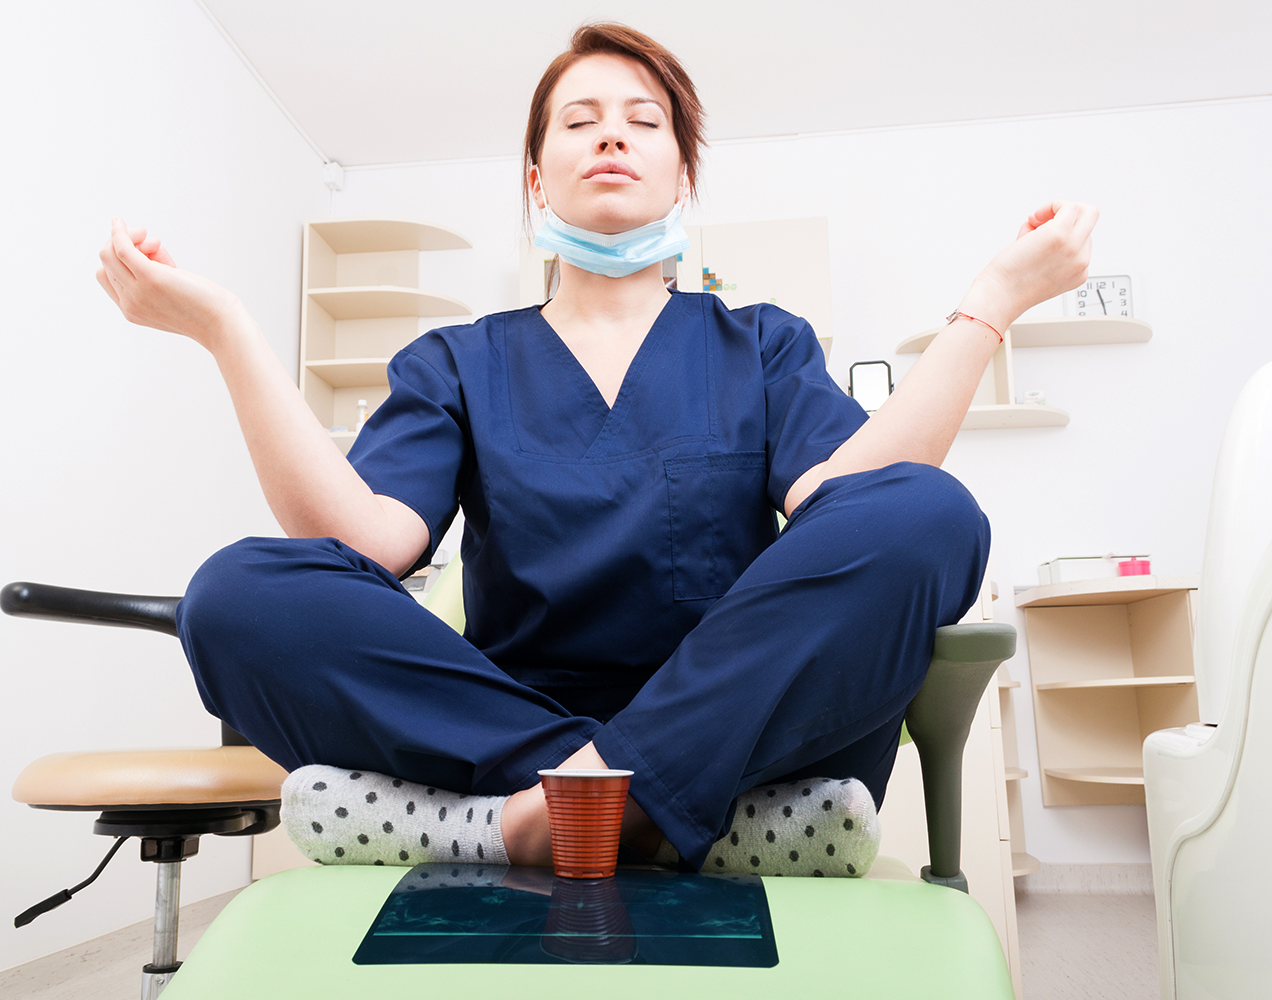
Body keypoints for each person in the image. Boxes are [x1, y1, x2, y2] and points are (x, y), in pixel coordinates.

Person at [95, 23, 1097, 875]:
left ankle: (518, 823)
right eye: (578, 121)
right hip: (514, 727)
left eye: (642, 121)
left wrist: (993, 304)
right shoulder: (458, 360)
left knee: (931, 511)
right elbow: (366, 540)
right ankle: (664, 815)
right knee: (234, 594)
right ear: (538, 180)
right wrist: (227, 331)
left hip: (740, 721)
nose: (610, 133)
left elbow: (855, 492)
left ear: (680, 175)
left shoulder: (762, 343)